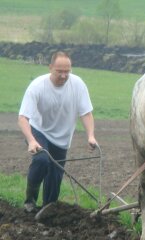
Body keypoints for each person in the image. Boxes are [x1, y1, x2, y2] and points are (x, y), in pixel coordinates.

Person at [18, 51, 98, 213]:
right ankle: (30, 201)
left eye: (67, 71)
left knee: (55, 178)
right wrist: (31, 140)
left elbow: (86, 113)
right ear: (50, 68)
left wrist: (90, 135)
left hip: (62, 139)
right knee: (41, 160)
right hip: (39, 131)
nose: (63, 75)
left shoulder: (78, 84)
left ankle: (47, 209)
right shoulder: (37, 86)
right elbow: (23, 117)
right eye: (59, 71)